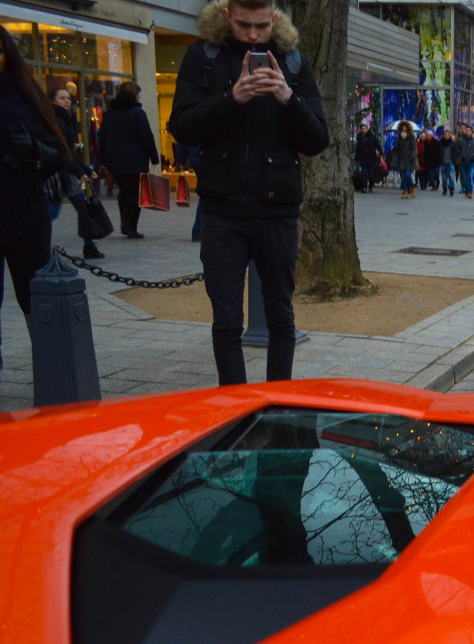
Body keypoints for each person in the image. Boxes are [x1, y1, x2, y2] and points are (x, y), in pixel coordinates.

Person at [168, 0, 329, 386]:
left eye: (261, 26)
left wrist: (288, 99)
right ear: (227, 15)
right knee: (226, 322)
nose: (253, 35)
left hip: (278, 210)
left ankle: (279, 404)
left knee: (281, 316)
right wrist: (231, 97)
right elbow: (182, 127)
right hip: (223, 210)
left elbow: (318, 139)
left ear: (274, 19)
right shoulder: (203, 56)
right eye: (243, 25)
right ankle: (235, 406)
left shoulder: (292, 63)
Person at [0, 16, 69, 409]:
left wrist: (32, 150)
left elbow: (59, 155)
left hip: (26, 210)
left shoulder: (25, 94)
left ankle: (50, 370)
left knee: (34, 293)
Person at [49, 84, 103, 259]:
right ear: (52, 101)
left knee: (82, 208)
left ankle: (89, 246)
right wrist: (81, 172)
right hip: (57, 173)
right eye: (61, 98)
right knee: (51, 211)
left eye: (68, 98)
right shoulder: (53, 121)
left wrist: (86, 169)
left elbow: (69, 151)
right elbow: (62, 152)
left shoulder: (67, 119)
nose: (66, 101)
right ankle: (38, 244)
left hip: (68, 170)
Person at [98, 80, 158, 238]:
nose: (139, 97)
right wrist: (154, 157)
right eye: (138, 94)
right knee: (135, 194)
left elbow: (103, 137)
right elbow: (147, 136)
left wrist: (103, 158)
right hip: (135, 160)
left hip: (115, 161)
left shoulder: (110, 113)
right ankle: (131, 226)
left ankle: (125, 222)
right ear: (134, 95)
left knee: (124, 191)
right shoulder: (138, 113)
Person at [354, 122, 381, 193]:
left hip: (371, 158)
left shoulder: (372, 136)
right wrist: (356, 158)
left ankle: (370, 186)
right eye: (362, 129)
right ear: (360, 130)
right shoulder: (359, 137)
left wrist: (381, 153)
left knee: (370, 173)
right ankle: (364, 187)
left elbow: (377, 145)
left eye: (364, 128)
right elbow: (358, 149)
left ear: (367, 129)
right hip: (363, 158)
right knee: (363, 173)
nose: (363, 130)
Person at [456, 124, 474, 198]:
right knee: (465, 177)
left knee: (470, 176)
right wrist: (460, 154)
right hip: (464, 161)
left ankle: (470, 191)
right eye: (466, 130)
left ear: (471, 131)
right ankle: (466, 190)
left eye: (469, 130)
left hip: (471, 161)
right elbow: (457, 148)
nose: (467, 132)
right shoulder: (461, 140)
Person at [396, 121, 416, 199]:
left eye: (405, 127)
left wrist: (413, 156)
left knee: (407, 175)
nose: (404, 128)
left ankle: (413, 187)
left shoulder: (411, 137)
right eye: (402, 127)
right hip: (401, 159)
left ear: (408, 128)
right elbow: (398, 148)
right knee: (403, 177)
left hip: (409, 159)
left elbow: (414, 148)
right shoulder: (399, 137)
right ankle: (406, 192)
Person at [436, 125, 455, 195]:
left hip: (451, 161)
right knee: (444, 177)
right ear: (443, 135)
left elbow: (455, 152)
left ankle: (452, 188)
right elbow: (438, 152)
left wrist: (454, 160)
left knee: (451, 176)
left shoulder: (453, 144)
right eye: (445, 135)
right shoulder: (441, 143)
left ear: (450, 135)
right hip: (443, 162)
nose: (446, 136)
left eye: (448, 135)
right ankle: (444, 189)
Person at [423, 125, 441, 190]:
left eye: (428, 135)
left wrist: (439, 159)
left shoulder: (436, 142)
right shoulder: (425, 143)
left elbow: (439, 151)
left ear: (431, 135)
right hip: (429, 161)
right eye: (426, 135)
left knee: (436, 174)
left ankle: (437, 183)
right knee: (431, 174)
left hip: (436, 161)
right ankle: (433, 185)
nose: (427, 136)